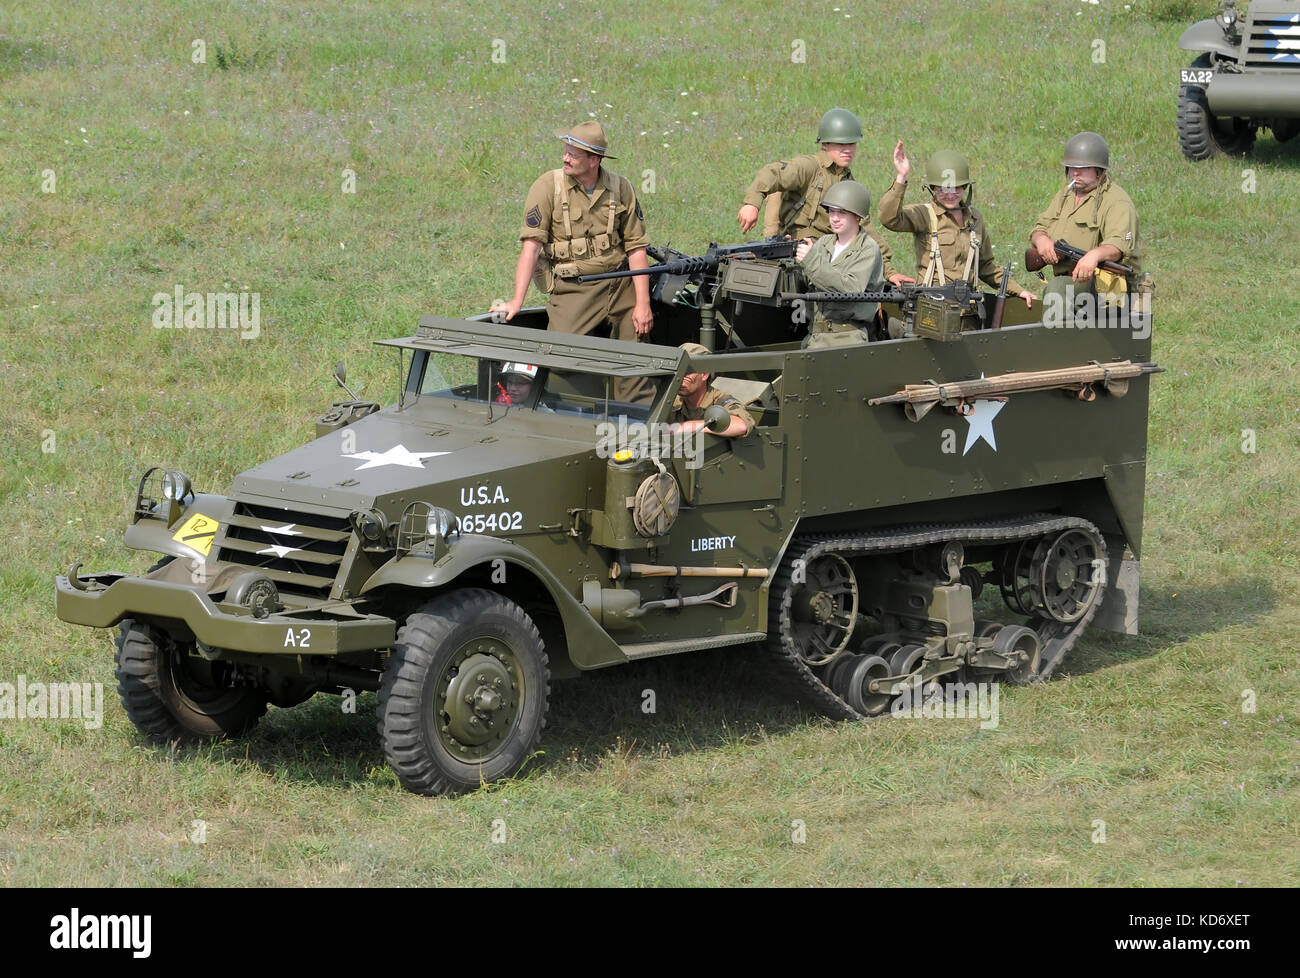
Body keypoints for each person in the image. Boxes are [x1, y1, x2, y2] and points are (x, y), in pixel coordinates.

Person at [491, 121, 654, 341]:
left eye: (573, 155)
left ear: (594, 160)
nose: (565, 159)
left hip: (620, 285)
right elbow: (531, 248)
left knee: (637, 358)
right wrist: (517, 300)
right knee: (560, 355)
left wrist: (643, 304)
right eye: (566, 152)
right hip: (574, 286)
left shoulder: (621, 188)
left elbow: (636, 248)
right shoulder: (548, 187)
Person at [737, 108, 911, 287]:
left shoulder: (847, 181)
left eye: (852, 144)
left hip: (829, 252)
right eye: (841, 144)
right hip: (800, 248)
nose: (848, 150)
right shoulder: (809, 167)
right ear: (826, 143)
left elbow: (863, 227)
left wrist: (888, 271)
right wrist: (752, 204)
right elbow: (772, 173)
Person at [879, 143, 1035, 308]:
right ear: (932, 189)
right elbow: (889, 218)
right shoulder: (924, 214)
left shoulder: (975, 218)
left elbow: (986, 266)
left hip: (967, 309)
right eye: (943, 190)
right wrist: (901, 177)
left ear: (965, 187)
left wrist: (1019, 290)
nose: (950, 194)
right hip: (932, 308)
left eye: (956, 188)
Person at [1029, 131, 1140, 321]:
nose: (1075, 173)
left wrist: (1094, 256)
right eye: (1071, 168)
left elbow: (1117, 247)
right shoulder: (1066, 195)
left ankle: (1060, 347)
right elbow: (1040, 227)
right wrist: (1042, 240)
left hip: (1112, 284)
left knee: (1057, 289)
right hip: (1073, 279)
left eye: (1083, 168)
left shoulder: (1117, 202)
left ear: (1100, 170)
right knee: (1060, 287)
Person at [793, 181, 884, 348]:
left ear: (857, 216)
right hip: (816, 334)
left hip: (847, 337)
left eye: (842, 213)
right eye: (832, 212)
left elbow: (851, 288)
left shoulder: (867, 249)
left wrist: (811, 260)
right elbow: (809, 283)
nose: (834, 218)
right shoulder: (824, 243)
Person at [669, 343, 753, 438]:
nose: (680, 377)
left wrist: (687, 426)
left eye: (687, 372)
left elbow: (741, 425)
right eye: (677, 371)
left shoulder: (719, 399)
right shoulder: (670, 400)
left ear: (704, 374)